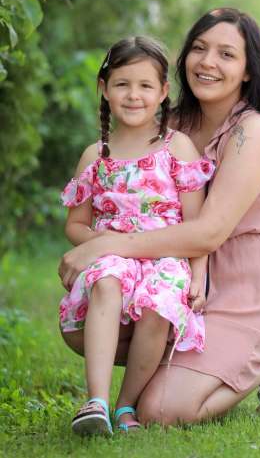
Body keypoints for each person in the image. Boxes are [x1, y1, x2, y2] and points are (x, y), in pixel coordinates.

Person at [59, 8, 260, 426]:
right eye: (199, 48)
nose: (208, 62)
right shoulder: (171, 127)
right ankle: (141, 385)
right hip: (176, 272)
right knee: (84, 327)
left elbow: (207, 233)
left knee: (161, 410)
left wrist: (102, 244)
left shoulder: (252, 132)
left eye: (227, 54)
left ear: (247, 70)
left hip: (245, 285)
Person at [59, 36, 215, 435]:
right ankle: (95, 401)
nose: (133, 95)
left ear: (163, 92)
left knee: (157, 306)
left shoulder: (176, 148)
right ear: (105, 89)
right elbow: (75, 224)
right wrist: (99, 243)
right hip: (112, 257)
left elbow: (195, 228)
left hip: (166, 259)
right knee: (108, 280)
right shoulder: (97, 156)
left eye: (145, 86)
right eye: (123, 84)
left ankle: (125, 405)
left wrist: (198, 276)